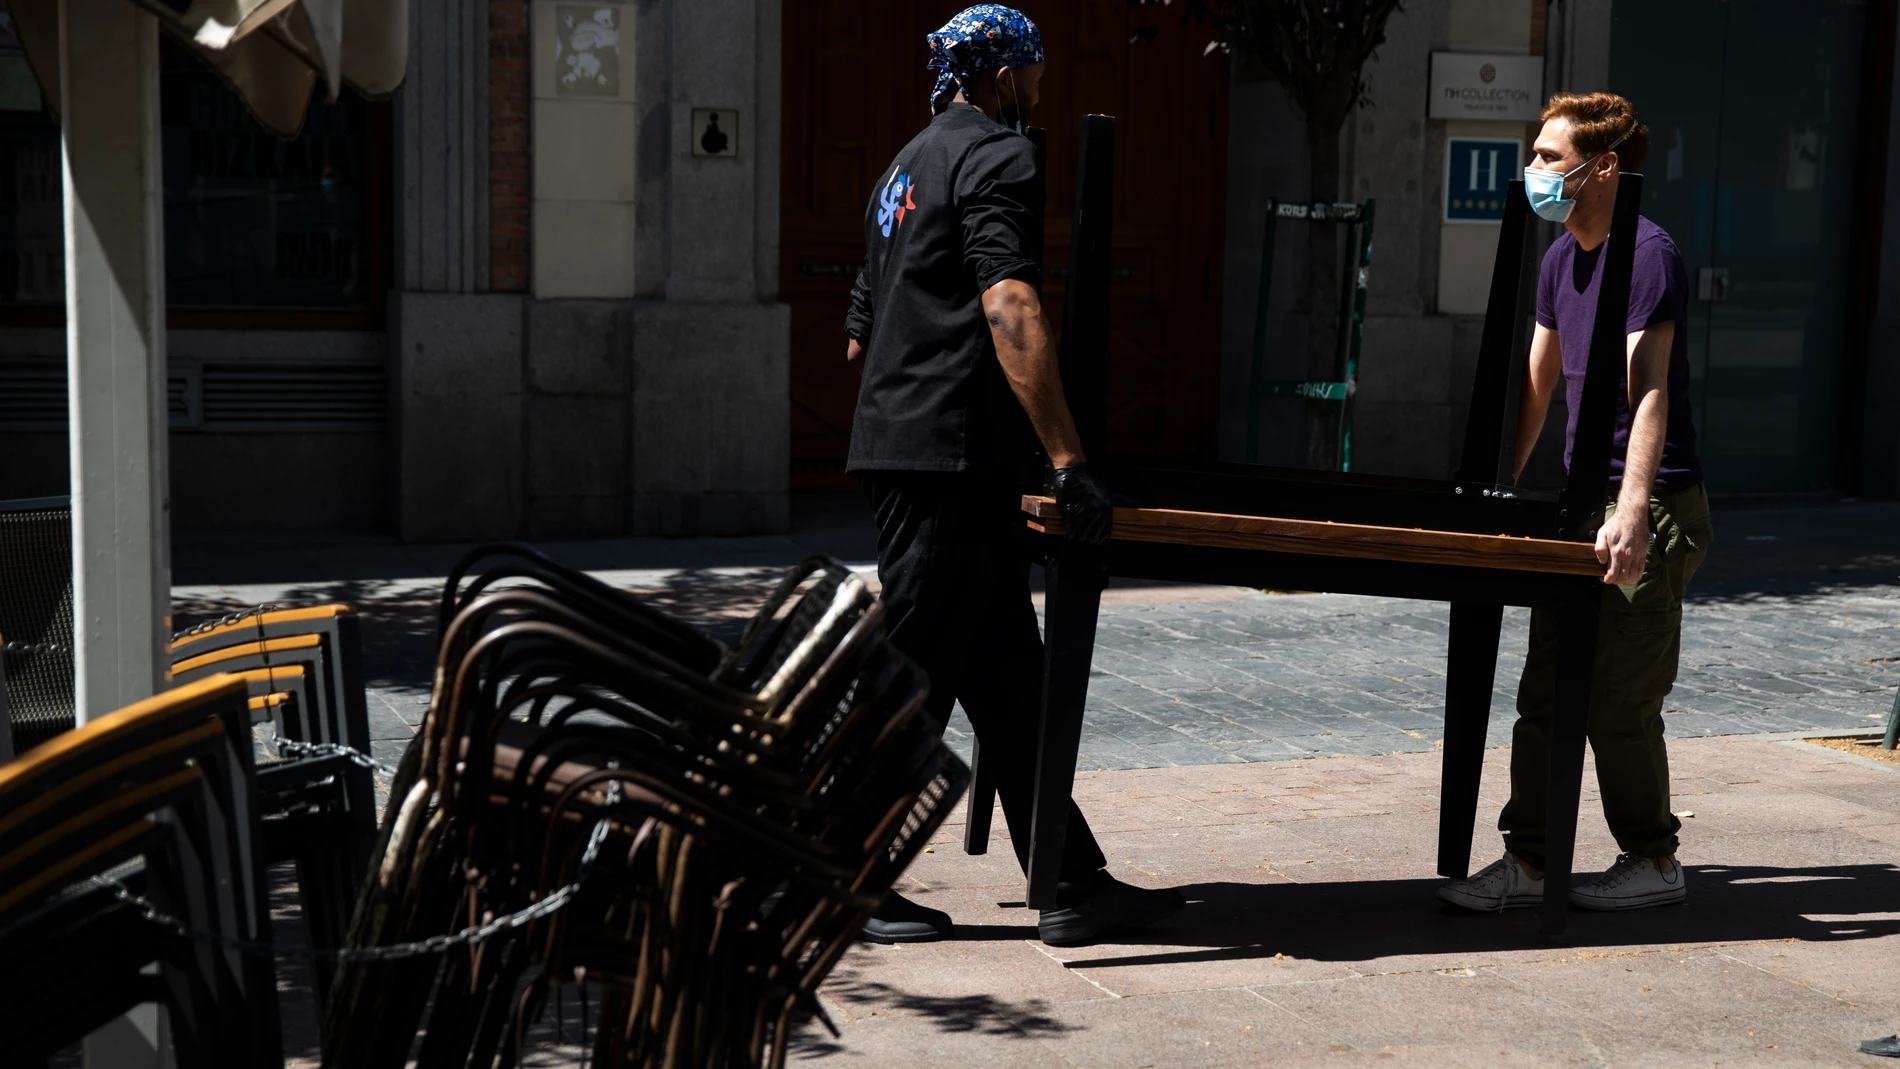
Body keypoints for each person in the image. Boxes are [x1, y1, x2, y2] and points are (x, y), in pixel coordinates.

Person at [842, 4, 1184, 946]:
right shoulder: (1000, 155)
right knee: (916, 671)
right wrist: (1071, 461)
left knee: (1007, 676)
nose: (1039, 94)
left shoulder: (902, 168)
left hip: (910, 443)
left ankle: (1069, 879)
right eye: (1032, 76)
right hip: (952, 458)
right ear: (1000, 75)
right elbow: (1010, 305)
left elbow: (858, 332)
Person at [1439, 92, 1714, 913]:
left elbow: (1650, 389)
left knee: (1618, 697)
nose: (1533, 172)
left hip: (1652, 505)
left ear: (1601, 169)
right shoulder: (1562, 258)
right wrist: (1497, 492)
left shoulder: (1648, 252)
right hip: (1580, 500)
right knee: (1548, 690)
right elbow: (1535, 385)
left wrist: (1631, 514)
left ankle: (1654, 859)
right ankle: (1528, 860)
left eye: (1548, 159)